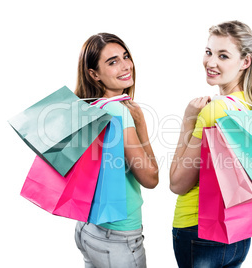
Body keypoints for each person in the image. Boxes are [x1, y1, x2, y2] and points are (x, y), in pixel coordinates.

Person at [169, 20, 252, 267]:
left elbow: (178, 183)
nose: (211, 62)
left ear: (245, 62)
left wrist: (188, 121)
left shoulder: (214, 110)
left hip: (198, 230)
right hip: (240, 233)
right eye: (209, 52)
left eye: (223, 55)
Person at [74, 33, 159, 268]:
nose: (125, 66)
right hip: (118, 237)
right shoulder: (119, 113)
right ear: (94, 74)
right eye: (112, 62)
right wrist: (140, 125)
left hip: (87, 228)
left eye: (125, 57)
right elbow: (150, 178)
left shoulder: (84, 107)